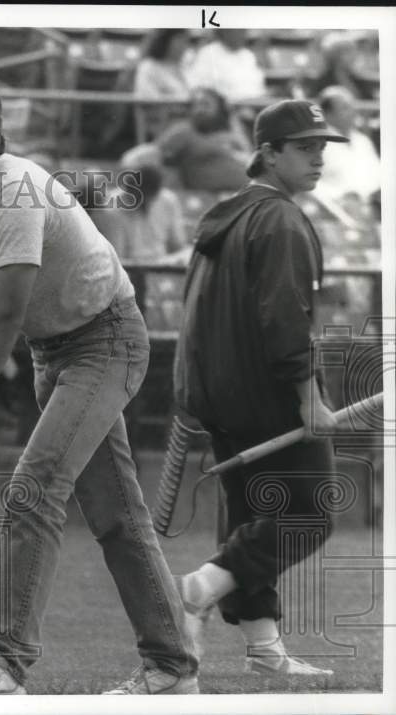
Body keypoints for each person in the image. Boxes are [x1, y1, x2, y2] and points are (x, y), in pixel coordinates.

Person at [0, 79, 199, 695]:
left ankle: (3, 663)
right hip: (54, 353)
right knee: (118, 518)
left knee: (34, 488)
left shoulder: (17, 187)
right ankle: (173, 669)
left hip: (108, 340)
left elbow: (4, 313)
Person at [173, 99, 348, 677]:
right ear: (268, 154)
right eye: (304, 147)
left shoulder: (228, 213)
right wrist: (309, 399)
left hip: (224, 395)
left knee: (256, 515)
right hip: (269, 394)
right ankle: (202, 585)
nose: (317, 158)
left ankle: (265, 650)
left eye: (322, 147)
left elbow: (194, 314)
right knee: (310, 514)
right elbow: (286, 317)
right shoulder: (281, 220)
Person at [156, 87, 252, 192]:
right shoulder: (183, 132)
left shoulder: (232, 135)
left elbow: (248, 157)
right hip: (204, 198)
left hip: (244, 194)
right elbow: (154, 156)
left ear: (220, 109)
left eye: (205, 104)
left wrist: (233, 121)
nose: (199, 110)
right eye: (195, 105)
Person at [313, 85, 380, 208]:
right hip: (336, 211)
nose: (353, 112)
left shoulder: (363, 141)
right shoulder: (314, 145)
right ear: (327, 115)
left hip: (373, 208)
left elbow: (379, 176)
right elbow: (309, 185)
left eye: (352, 106)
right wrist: (340, 197)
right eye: (345, 108)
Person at [134, 29, 192, 141]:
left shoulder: (185, 67)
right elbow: (147, 99)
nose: (184, 46)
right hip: (166, 126)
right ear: (165, 41)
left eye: (186, 41)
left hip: (192, 122)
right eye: (179, 40)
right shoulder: (149, 67)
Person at [184, 29, 266, 103]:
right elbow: (197, 88)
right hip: (226, 111)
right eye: (237, 30)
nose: (241, 34)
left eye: (243, 30)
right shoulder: (208, 53)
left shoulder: (248, 55)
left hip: (256, 106)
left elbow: (258, 87)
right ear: (224, 31)